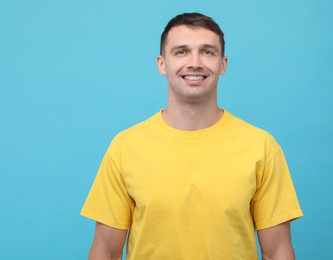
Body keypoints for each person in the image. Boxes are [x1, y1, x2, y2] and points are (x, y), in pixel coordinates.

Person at [81, 12, 303, 260]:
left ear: (223, 64)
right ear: (161, 63)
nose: (195, 62)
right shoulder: (125, 147)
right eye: (181, 52)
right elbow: (106, 251)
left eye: (207, 52)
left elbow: (277, 252)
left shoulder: (261, 147)